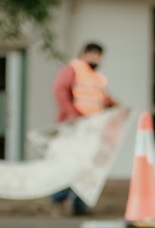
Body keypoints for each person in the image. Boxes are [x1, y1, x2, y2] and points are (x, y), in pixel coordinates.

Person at [50, 42, 117, 216]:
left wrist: (117, 108)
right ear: (84, 54)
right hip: (75, 128)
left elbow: (104, 100)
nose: (96, 58)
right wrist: (71, 114)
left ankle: (78, 205)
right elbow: (59, 90)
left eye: (99, 55)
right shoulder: (73, 70)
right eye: (93, 54)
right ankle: (59, 197)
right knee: (74, 164)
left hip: (92, 129)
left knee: (88, 166)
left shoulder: (96, 77)